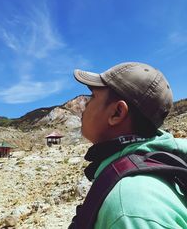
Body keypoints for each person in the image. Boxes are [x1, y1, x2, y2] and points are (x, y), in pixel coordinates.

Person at [70, 62, 187, 229]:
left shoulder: (128, 208)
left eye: (93, 97)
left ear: (117, 113)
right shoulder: (153, 163)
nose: (84, 106)